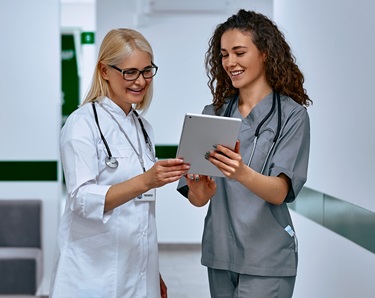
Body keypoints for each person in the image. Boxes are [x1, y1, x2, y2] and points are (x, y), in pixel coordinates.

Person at [177, 9, 312, 298]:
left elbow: (280, 192)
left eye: (239, 52)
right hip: (221, 255)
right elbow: (197, 198)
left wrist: (241, 173)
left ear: (264, 53)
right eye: (224, 54)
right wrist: (200, 191)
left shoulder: (291, 116)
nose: (230, 63)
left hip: (268, 257)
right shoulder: (211, 115)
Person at [50, 28, 190, 298]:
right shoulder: (82, 124)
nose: (140, 81)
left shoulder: (142, 127)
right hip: (93, 271)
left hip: (137, 269)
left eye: (147, 71)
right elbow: (81, 199)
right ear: (104, 71)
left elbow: (141, 216)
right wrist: (145, 180)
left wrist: (152, 270)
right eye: (130, 72)